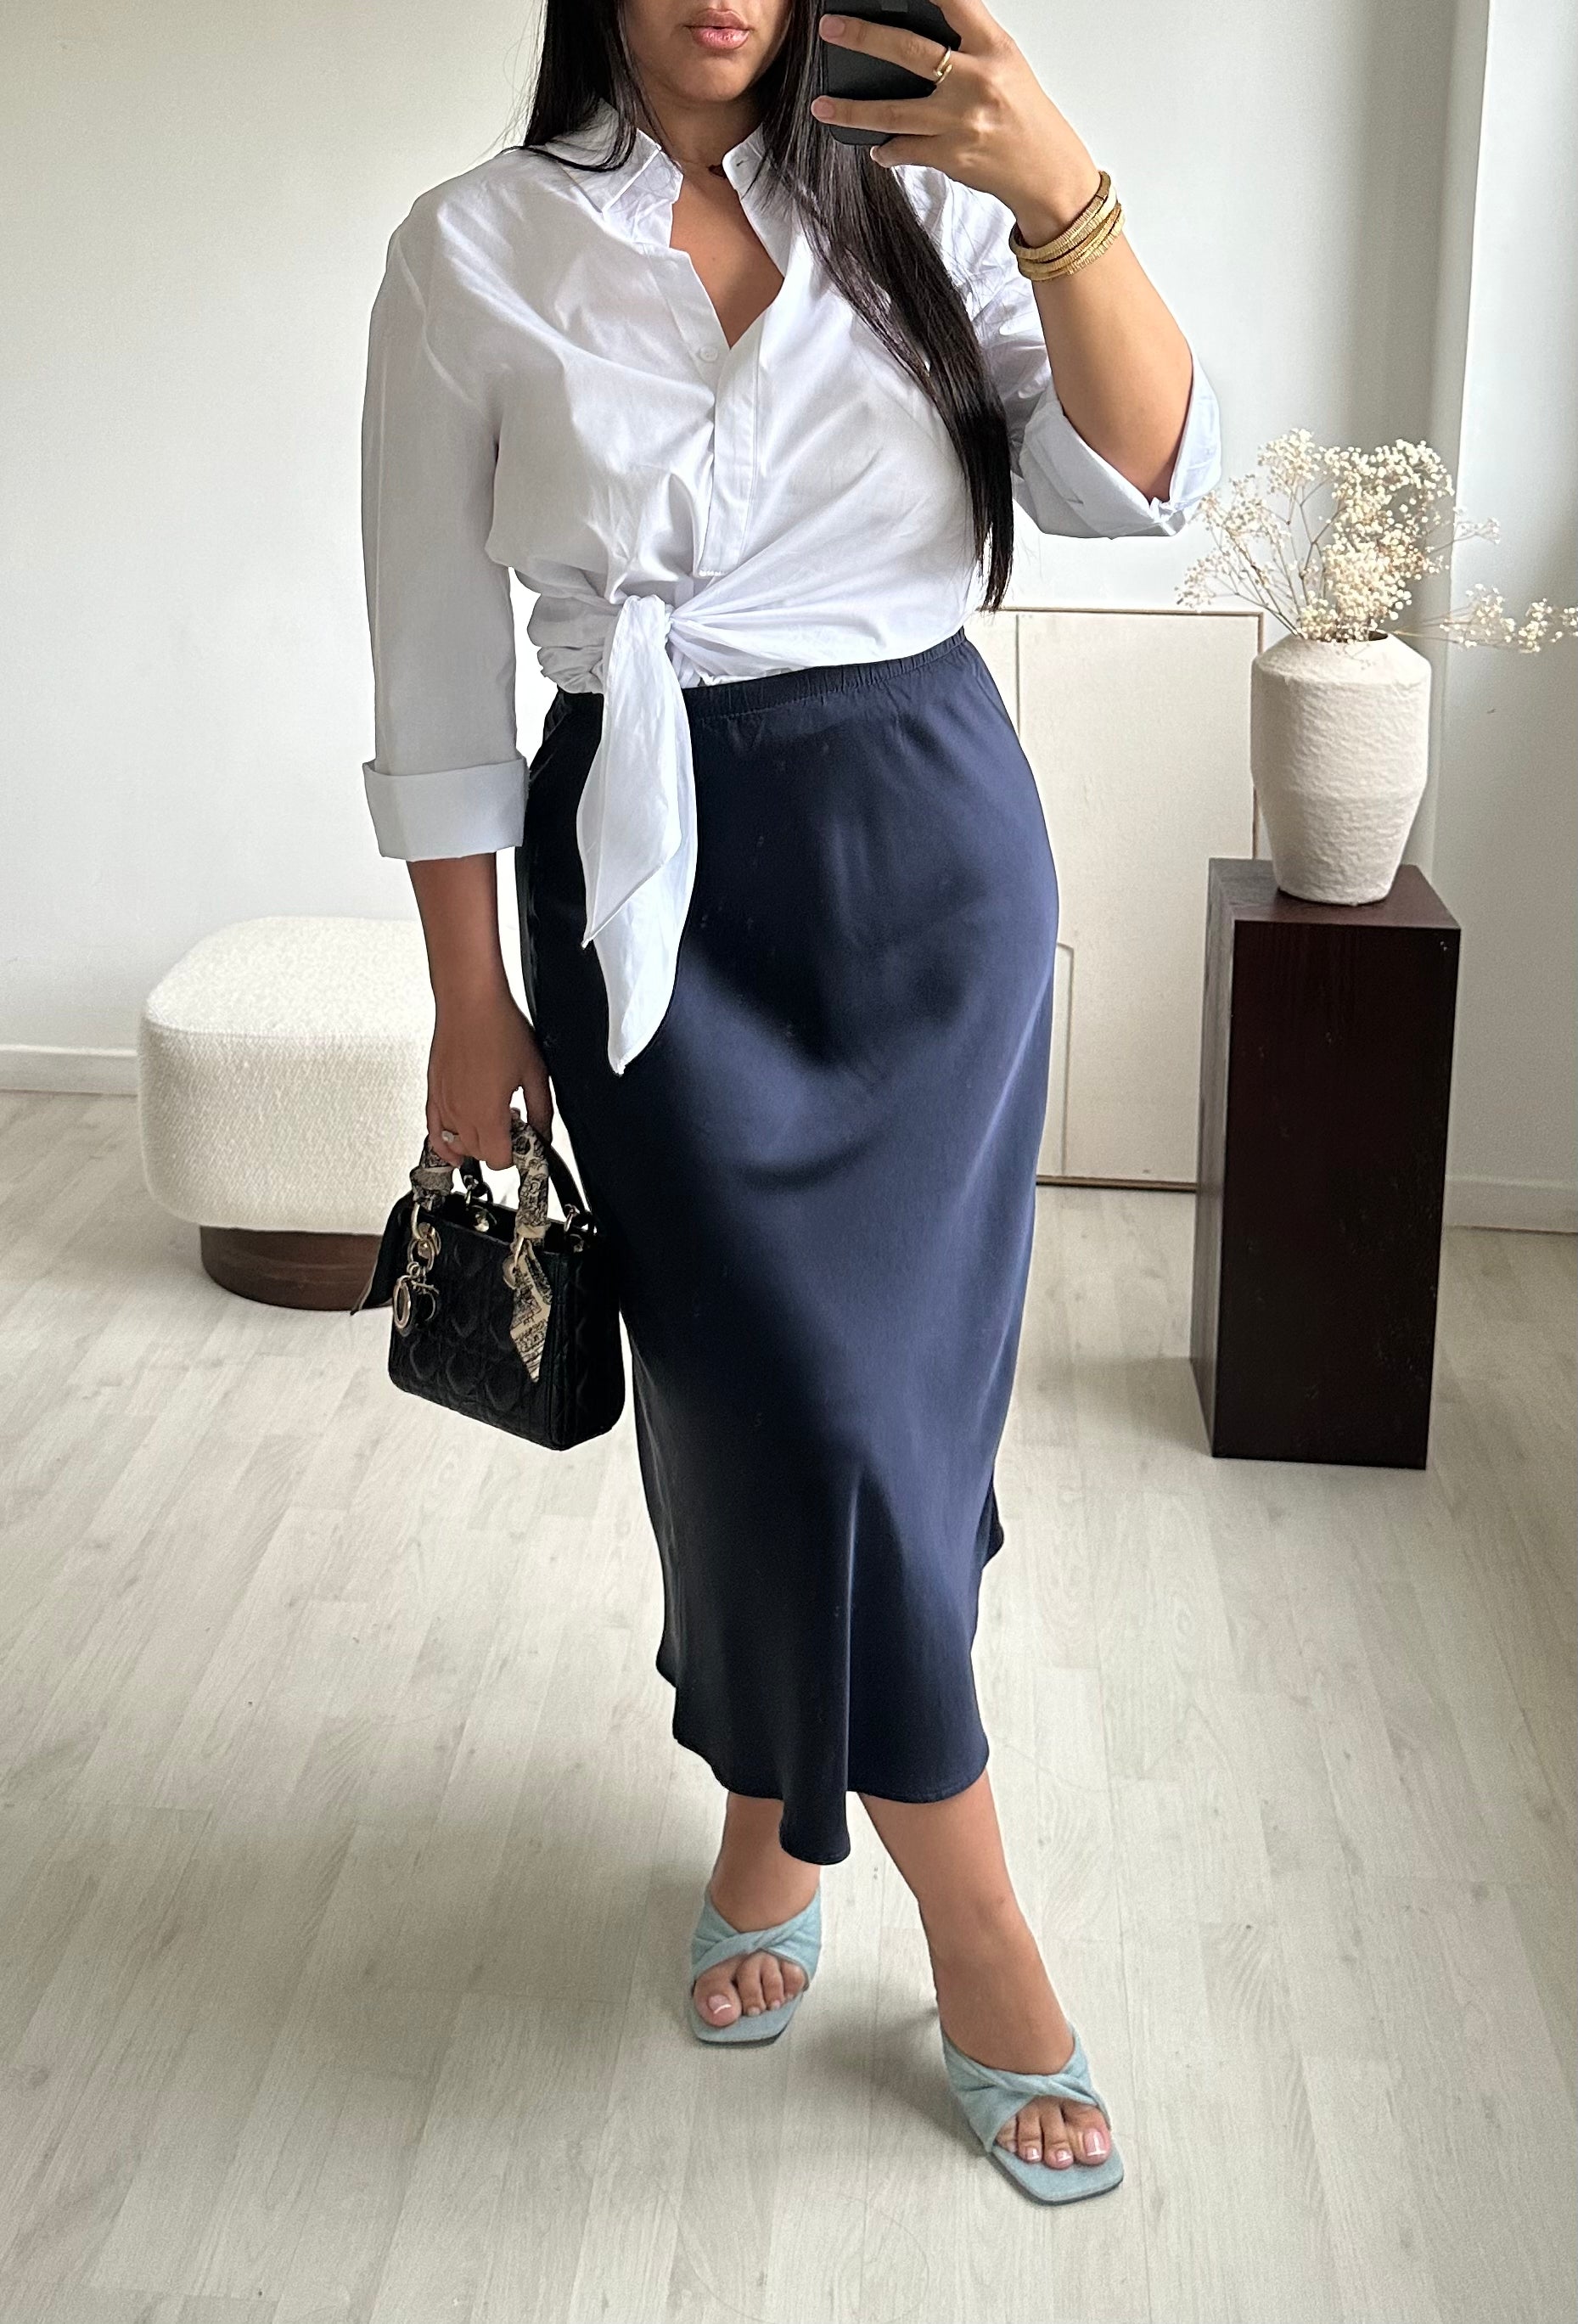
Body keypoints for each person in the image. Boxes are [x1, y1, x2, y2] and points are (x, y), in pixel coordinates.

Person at [359, 0, 1220, 2204]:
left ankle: (794, 1818)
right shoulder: (469, 250)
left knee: (882, 1422)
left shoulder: (938, 194)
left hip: (927, 866)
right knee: (777, 1406)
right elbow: (436, 666)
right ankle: (964, 1911)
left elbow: (1138, 477)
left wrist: (1059, 188)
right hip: (648, 886)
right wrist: (466, 999)